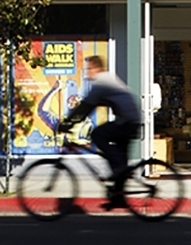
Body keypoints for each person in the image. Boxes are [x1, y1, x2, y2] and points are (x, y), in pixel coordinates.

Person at [59, 55, 144, 207]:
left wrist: (66, 124)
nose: (87, 73)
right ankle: (118, 197)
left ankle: (119, 170)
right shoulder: (107, 81)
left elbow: (85, 107)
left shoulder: (102, 83)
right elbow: (91, 106)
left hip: (127, 122)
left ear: (97, 68)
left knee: (98, 134)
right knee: (118, 158)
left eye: (89, 69)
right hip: (130, 120)